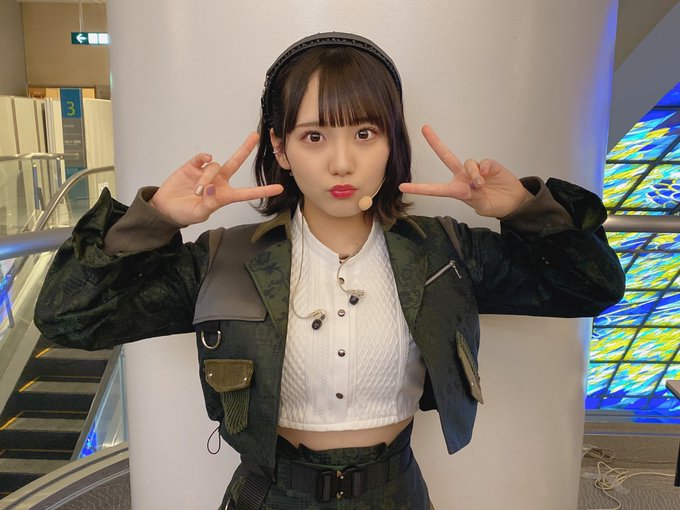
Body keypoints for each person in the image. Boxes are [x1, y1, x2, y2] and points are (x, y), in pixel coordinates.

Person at [34, 32, 625, 509]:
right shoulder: (224, 260)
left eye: (365, 133)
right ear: (281, 149)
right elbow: (68, 317)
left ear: (390, 143)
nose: (342, 162)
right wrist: (156, 219)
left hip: (395, 494)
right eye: (314, 136)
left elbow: (591, 287)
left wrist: (524, 209)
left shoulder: (443, 252)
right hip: (271, 495)